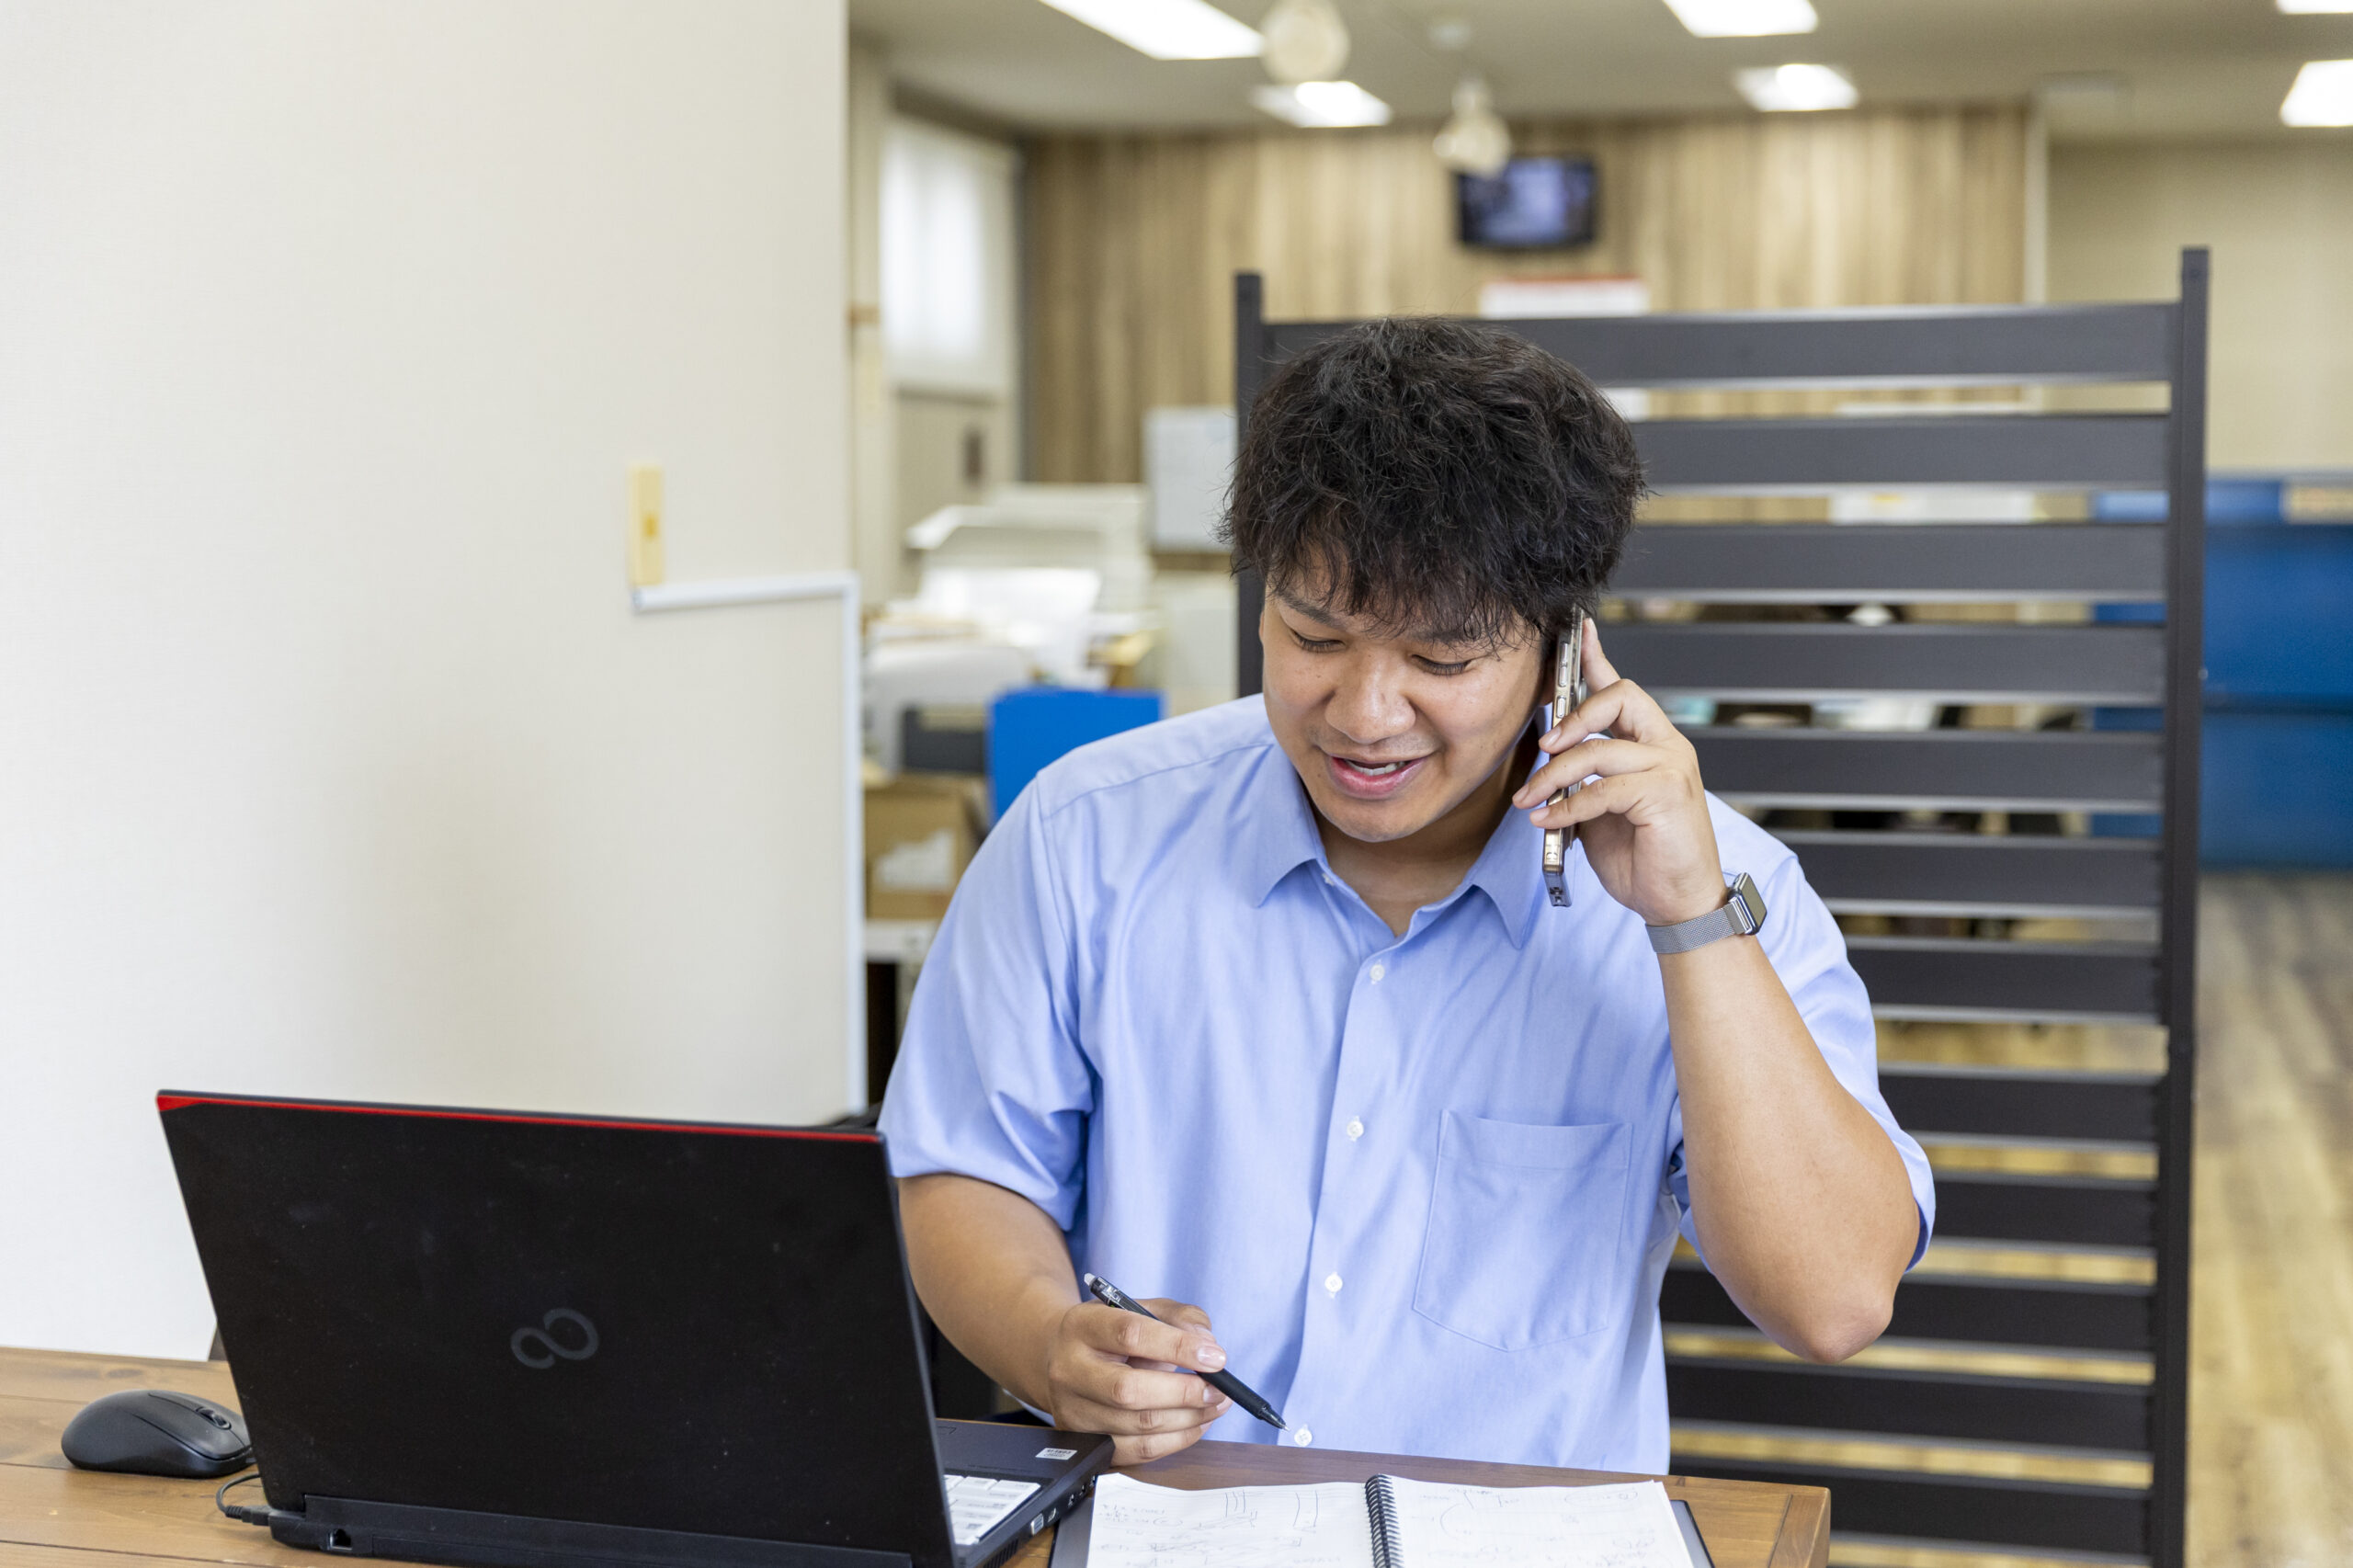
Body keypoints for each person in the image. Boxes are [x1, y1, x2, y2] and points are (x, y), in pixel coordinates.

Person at [878, 317, 1933, 1473]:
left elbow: (1831, 1300)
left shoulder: (1725, 887)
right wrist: (1047, 1340)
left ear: (1565, 653)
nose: (1364, 714)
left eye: (1441, 660)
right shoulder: (1086, 835)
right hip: (1168, 1533)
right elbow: (960, 1171)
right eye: (1312, 634)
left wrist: (1688, 921)